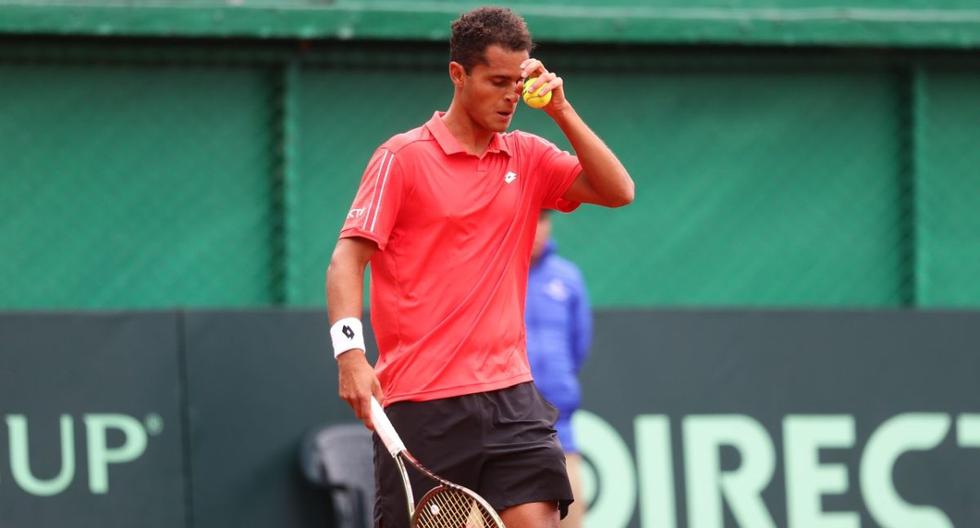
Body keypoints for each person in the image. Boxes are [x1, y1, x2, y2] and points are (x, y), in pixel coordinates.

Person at [325, 6, 633, 528]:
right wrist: (350, 355)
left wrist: (560, 110)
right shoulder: (401, 158)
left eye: (519, 81)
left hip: (512, 397)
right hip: (423, 404)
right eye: (496, 81)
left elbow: (618, 190)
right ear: (458, 75)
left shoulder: (528, 157)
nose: (511, 95)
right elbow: (346, 259)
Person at [525, 210, 592, 528]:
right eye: (531, 218)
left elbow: (579, 344)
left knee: (571, 516)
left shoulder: (568, 277)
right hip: (507, 422)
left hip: (559, 426)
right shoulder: (495, 273)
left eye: (544, 219)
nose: (538, 228)